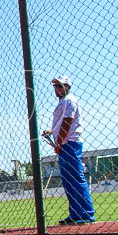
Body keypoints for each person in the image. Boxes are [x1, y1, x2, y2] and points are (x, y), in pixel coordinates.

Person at [42, 75, 95, 225]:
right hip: (66, 143)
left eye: (60, 86)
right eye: (55, 86)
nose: (57, 89)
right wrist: (52, 131)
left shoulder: (69, 101)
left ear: (67, 87)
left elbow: (67, 122)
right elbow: (61, 123)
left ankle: (86, 214)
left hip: (70, 143)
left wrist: (58, 143)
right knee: (69, 181)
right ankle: (76, 213)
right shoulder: (63, 102)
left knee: (75, 178)